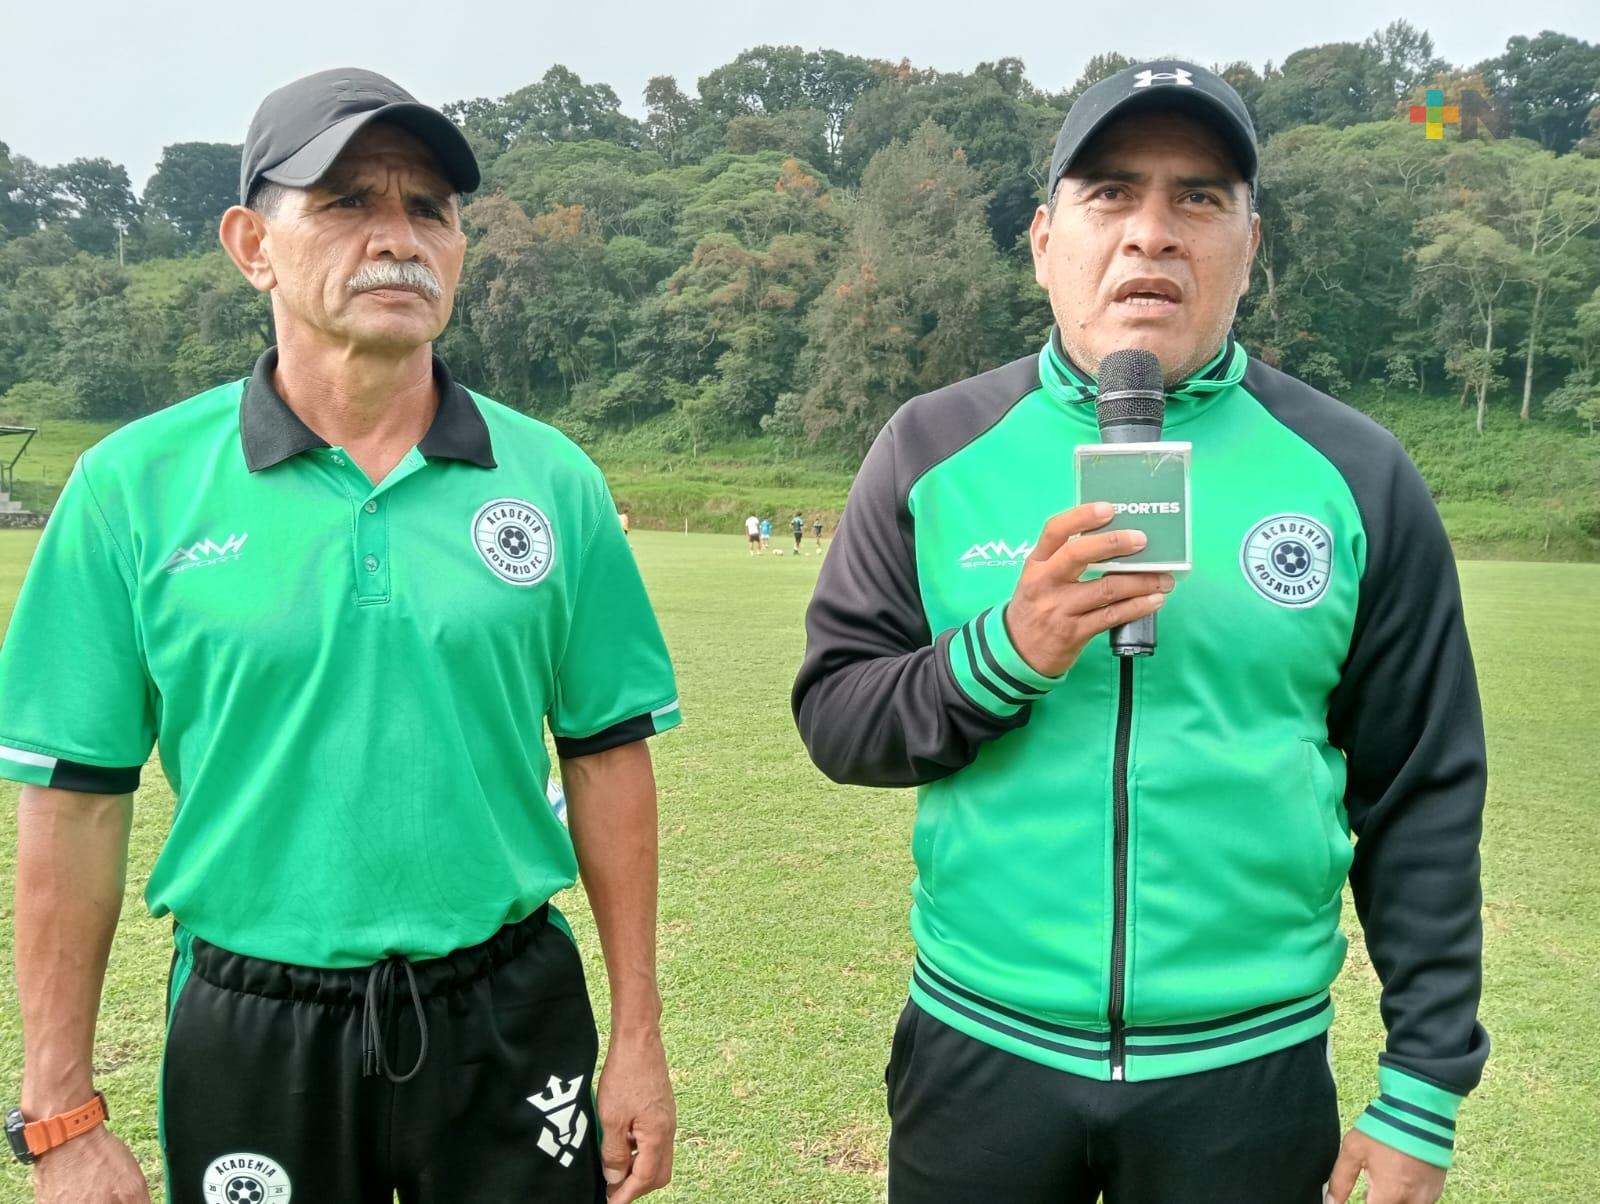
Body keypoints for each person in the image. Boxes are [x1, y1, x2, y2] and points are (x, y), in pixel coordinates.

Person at [793, 60, 1485, 1204]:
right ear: (1042, 238)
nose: (1151, 235)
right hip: (979, 1056)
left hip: (1245, 1075)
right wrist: (1005, 650)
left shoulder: (1356, 474)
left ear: (1247, 246)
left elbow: (1422, 791)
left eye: (1198, 198)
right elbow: (836, 719)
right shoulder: (930, 447)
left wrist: (1421, 1084)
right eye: (1110, 194)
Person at [0, 68, 680, 1204]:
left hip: (510, 1009)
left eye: (429, 209)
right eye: (347, 202)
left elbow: (609, 758)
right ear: (250, 244)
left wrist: (641, 1039)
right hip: (253, 1025)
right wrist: (59, 1106)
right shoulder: (132, 487)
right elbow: (72, 802)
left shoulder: (553, 480)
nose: (397, 238)